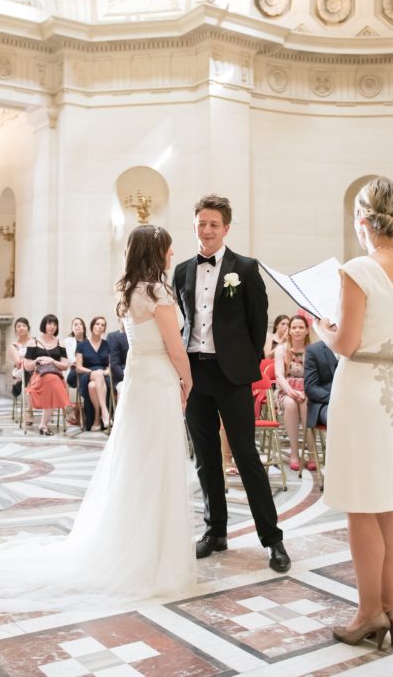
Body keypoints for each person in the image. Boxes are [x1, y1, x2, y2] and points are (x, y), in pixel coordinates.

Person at [0, 225, 195, 611]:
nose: (173, 255)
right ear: (158, 253)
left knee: (137, 464)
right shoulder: (158, 291)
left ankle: (131, 543)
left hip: (139, 385)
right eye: (169, 250)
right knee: (159, 464)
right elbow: (174, 347)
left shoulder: (130, 292)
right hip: (156, 382)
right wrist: (187, 381)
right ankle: (153, 557)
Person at [314, 176, 393, 649]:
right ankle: (388, 604)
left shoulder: (358, 268)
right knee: (386, 503)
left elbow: (346, 344)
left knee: (361, 505)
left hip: (361, 390)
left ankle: (367, 614)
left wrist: (320, 326)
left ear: (362, 220)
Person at [173, 194, 290, 572]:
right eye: (201, 223)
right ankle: (215, 531)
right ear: (194, 225)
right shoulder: (182, 271)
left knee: (246, 456)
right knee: (206, 460)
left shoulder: (246, 268)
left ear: (225, 228)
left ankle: (272, 540)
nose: (206, 230)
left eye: (213, 224)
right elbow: (185, 318)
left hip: (232, 375)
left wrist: (245, 363)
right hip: (195, 373)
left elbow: (259, 322)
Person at [274, 315, 312, 471]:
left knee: (306, 405)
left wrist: (304, 392)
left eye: (301, 327)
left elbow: (315, 375)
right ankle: (294, 453)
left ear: (307, 330)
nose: (297, 330)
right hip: (286, 391)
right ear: (289, 331)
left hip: (307, 390)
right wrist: (291, 391)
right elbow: (279, 375)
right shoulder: (281, 349)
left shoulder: (312, 350)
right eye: (294, 327)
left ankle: (312, 453)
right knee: (290, 405)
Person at [23, 314, 70, 436]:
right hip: (39, 375)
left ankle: (43, 424)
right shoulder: (33, 342)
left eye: (55, 324)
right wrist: (37, 359)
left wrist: (52, 361)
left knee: (54, 381)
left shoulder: (61, 343)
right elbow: (27, 366)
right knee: (53, 383)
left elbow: (65, 365)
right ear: (44, 324)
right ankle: (43, 424)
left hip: (55, 374)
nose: (52, 326)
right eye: (49, 323)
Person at [75, 316, 111, 431]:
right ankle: (105, 412)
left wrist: (105, 372)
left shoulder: (108, 344)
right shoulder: (82, 345)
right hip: (87, 374)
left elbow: (110, 367)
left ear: (104, 329)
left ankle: (96, 418)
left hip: (103, 376)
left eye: (102, 325)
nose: (100, 327)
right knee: (94, 379)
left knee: (93, 386)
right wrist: (93, 372)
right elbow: (78, 367)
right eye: (97, 324)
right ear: (92, 326)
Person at [304, 339, 338, 428]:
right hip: (325, 404)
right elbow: (310, 388)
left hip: (356, 403)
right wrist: (335, 399)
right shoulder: (314, 350)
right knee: (338, 417)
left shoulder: (360, 347)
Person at [9, 317, 34, 425]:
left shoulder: (34, 342)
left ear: (28, 328)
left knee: (33, 379)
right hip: (21, 371)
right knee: (30, 380)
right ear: (15, 330)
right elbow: (18, 362)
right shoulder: (14, 345)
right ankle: (29, 411)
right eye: (18, 326)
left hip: (34, 369)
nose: (21, 328)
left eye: (23, 326)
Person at [63, 317, 86, 425]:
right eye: (75, 324)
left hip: (86, 369)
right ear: (72, 328)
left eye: (80, 324)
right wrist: (79, 362)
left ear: (84, 327)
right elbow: (69, 356)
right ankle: (69, 410)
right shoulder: (68, 341)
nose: (78, 326)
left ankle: (85, 411)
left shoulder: (89, 341)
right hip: (72, 369)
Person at [106, 320, 129, 395]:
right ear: (119, 319)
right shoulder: (113, 336)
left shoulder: (140, 335)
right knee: (124, 389)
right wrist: (126, 377)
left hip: (141, 375)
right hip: (121, 377)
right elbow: (114, 364)